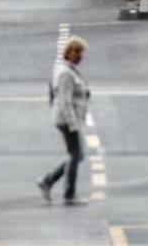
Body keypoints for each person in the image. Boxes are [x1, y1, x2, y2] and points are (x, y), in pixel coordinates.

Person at [37, 36, 90, 205]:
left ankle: (49, 181)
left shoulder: (69, 69)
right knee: (76, 154)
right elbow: (64, 100)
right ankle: (67, 193)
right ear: (68, 52)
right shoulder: (65, 73)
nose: (79, 55)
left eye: (81, 52)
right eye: (76, 51)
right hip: (66, 119)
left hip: (67, 118)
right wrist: (73, 123)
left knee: (76, 154)